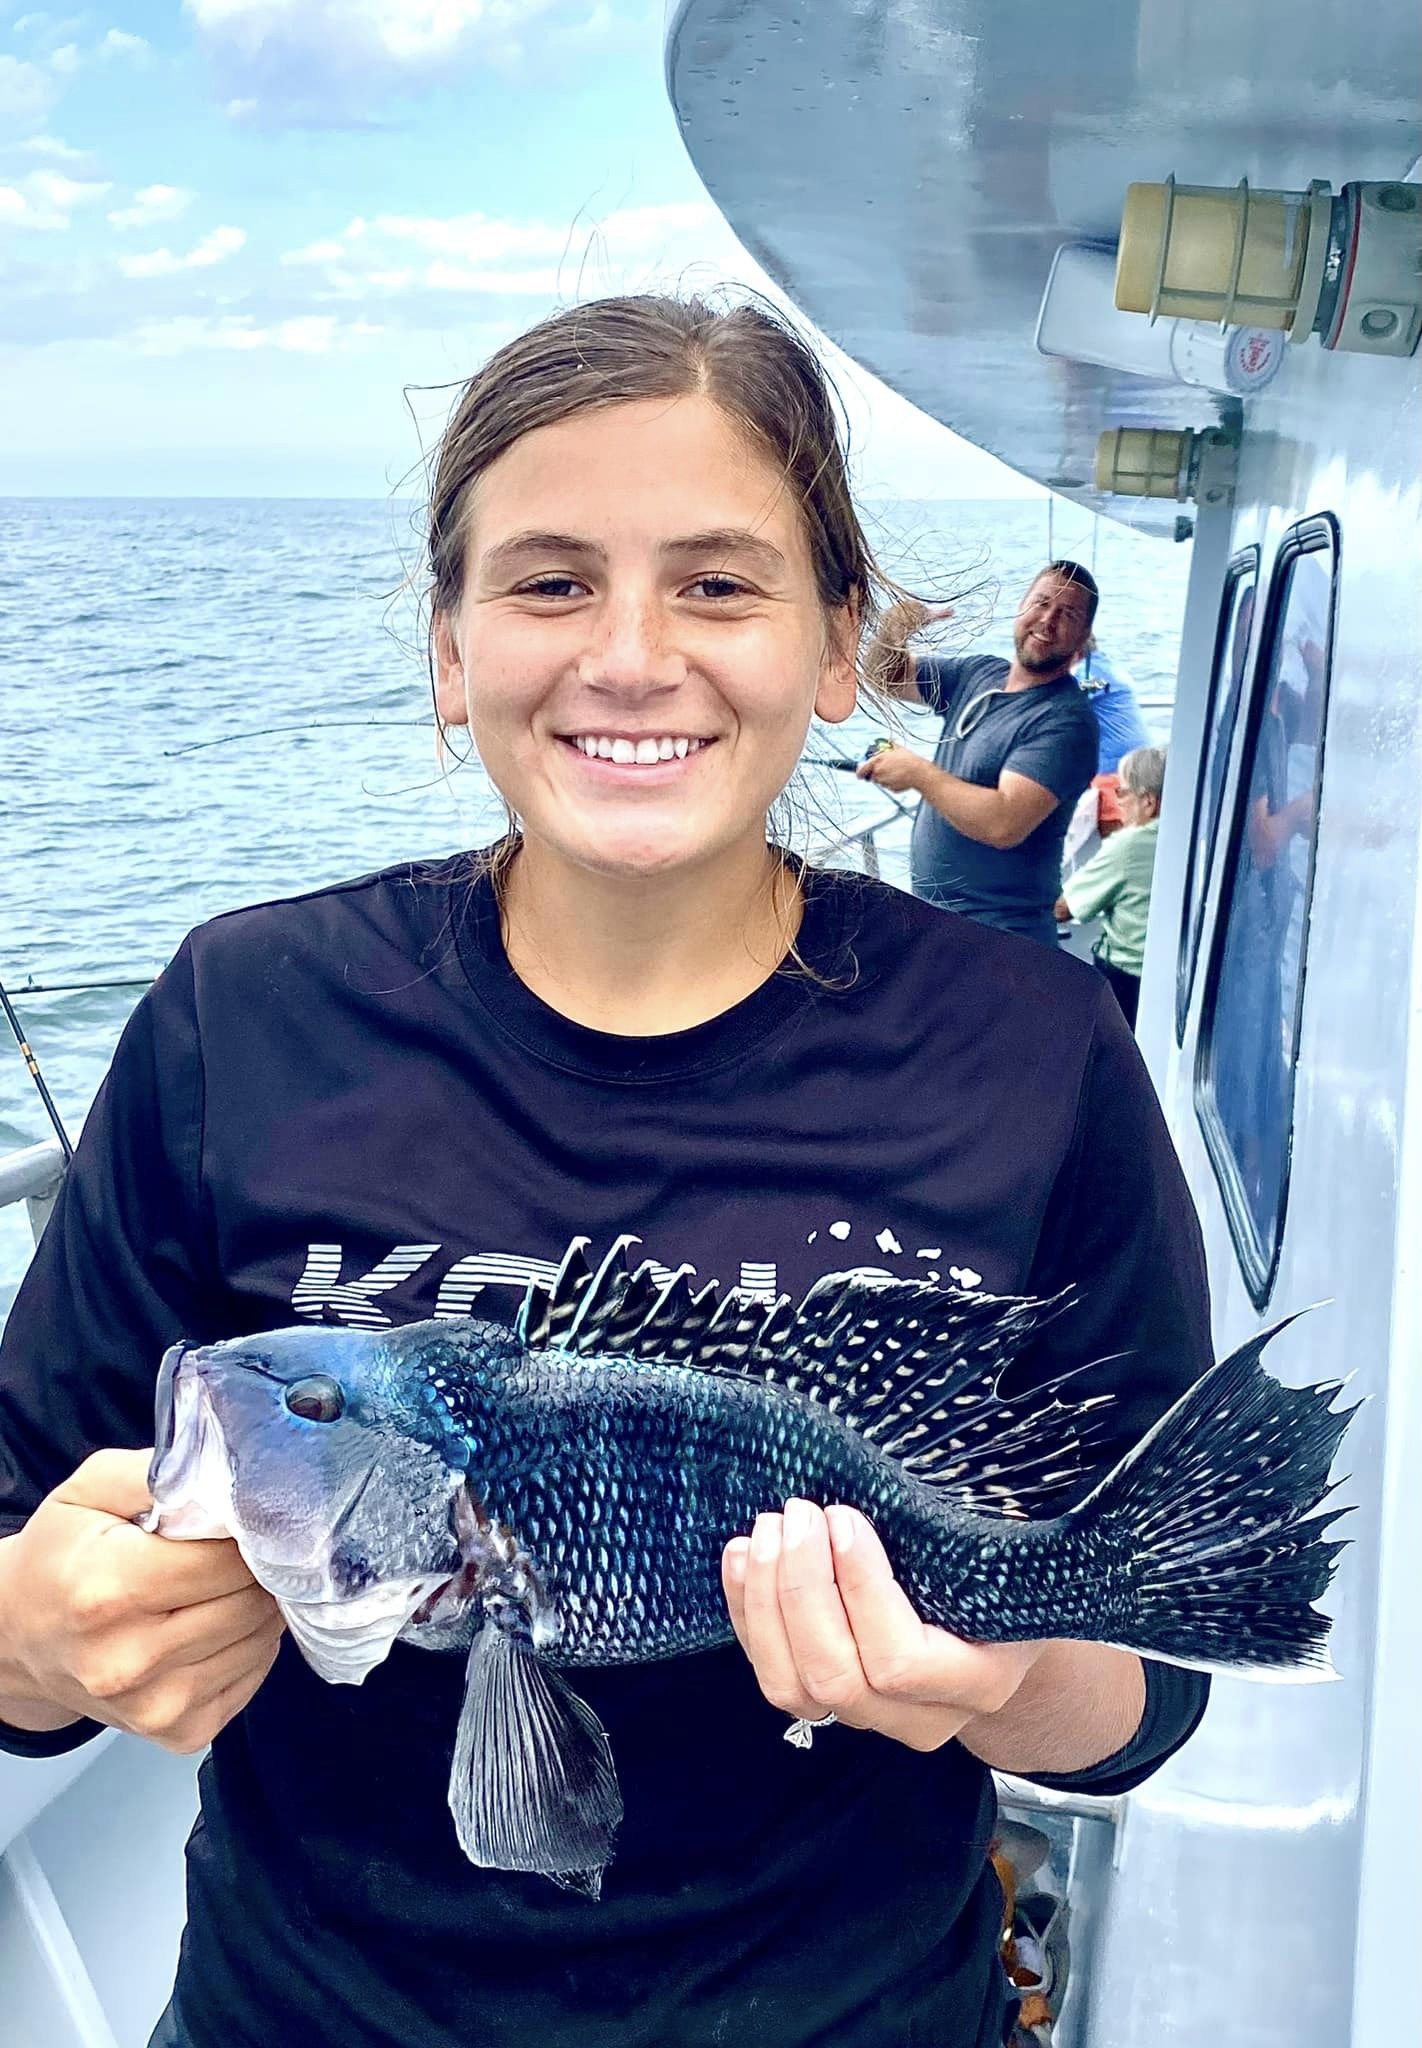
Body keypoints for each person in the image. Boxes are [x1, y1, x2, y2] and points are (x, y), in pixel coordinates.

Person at [0, 295, 1212, 2048]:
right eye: (550, 581)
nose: (631, 656)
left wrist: (999, 1673)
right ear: (449, 649)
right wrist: (40, 1636)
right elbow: (18, 1550)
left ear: (836, 646)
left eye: (716, 584)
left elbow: (1148, 1683)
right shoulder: (240, 1013)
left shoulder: (1035, 1047)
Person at [859, 565, 1101, 946]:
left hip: (1003, 941)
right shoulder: (978, 673)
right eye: (1041, 603)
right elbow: (886, 677)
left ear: (1083, 638)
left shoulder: (1067, 722)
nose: (1048, 620)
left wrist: (917, 773)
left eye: (1067, 614)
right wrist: (893, 631)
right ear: (1021, 606)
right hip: (940, 928)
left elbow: (1004, 823)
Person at [1055, 745, 1166, 1029]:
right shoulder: (1188, 837)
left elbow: (1064, 909)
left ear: (1148, 802)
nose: (1118, 802)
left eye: (1122, 792)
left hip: (1125, 976)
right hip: (1164, 973)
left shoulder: (1129, 846)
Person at [1077, 637, 1150, 776]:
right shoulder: (1105, 664)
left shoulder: (1088, 671)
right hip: (1138, 760)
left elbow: (1059, 701)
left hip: (1118, 766)